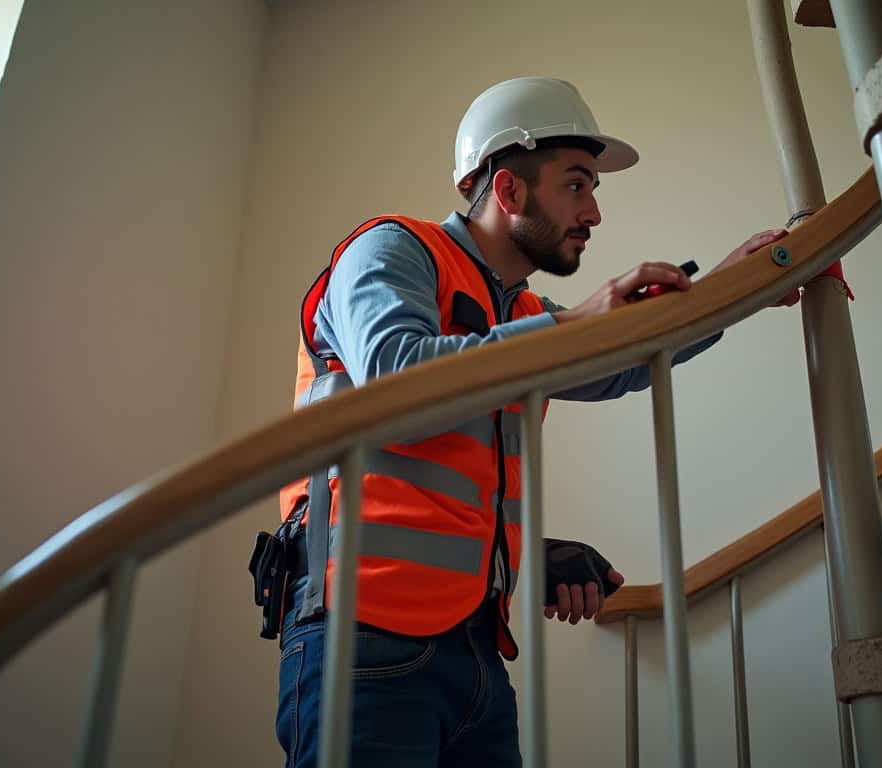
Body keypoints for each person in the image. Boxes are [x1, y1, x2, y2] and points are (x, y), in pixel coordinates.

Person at [267, 76, 791, 767]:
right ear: (509, 190)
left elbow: (630, 363)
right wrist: (574, 323)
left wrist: (733, 290)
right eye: (576, 185)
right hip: (361, 634)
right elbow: (394, 376)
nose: (594, 212)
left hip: (475, 650)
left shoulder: (522, 314)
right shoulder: (392, 249)